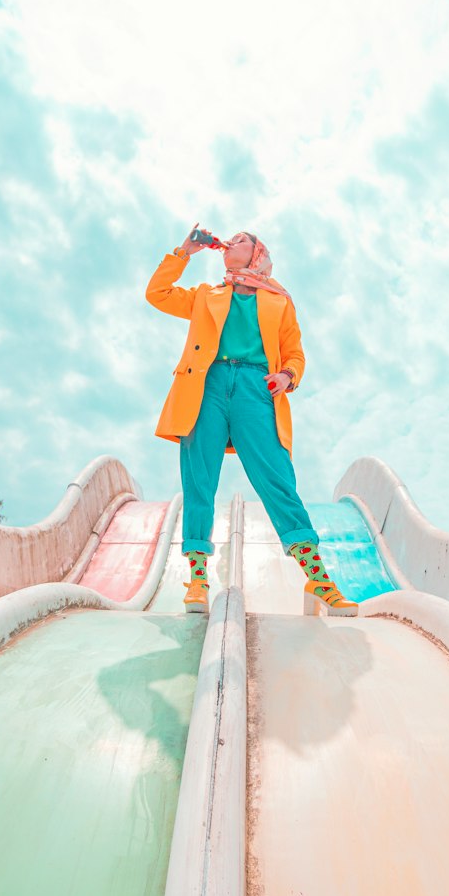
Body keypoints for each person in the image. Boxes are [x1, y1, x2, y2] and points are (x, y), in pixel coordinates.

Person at [146, 227, 358, 617]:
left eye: (240, 239)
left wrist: (287, 376)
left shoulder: (278, 301)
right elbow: (156, 294)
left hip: (256, 388)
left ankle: (317, 577)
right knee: (199, 482)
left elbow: (295, 353)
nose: (229, 243)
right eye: (228, 241)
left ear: (258, 253)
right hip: (205, 386)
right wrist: (185, 251)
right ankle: (197, 579)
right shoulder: (205, 296)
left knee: (277, 479)